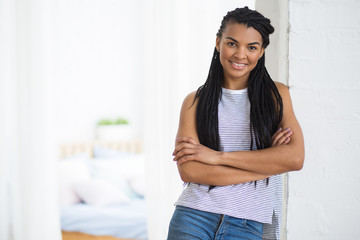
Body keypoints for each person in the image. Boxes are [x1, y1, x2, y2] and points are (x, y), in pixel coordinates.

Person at [167, 6, 304, 240]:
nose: (241, 55)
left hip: (250, 224)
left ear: (261, 52)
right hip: (193, 218)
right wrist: (266, 163)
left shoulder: (276, 95)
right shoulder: (194, 102)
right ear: (218, 42)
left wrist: (216, 157)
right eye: (232, 43)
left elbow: (294, 159)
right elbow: (189, 170)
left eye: (252, 47)